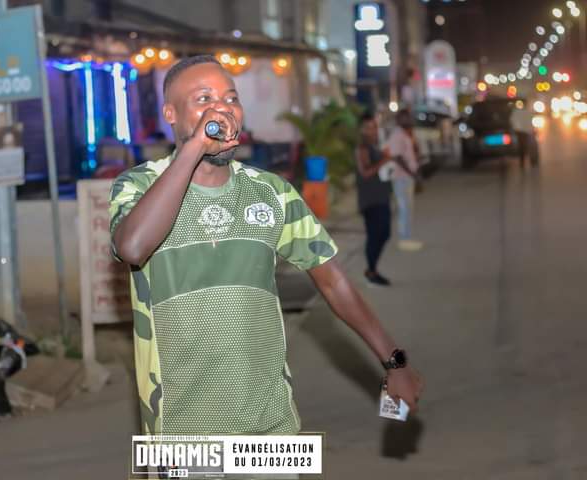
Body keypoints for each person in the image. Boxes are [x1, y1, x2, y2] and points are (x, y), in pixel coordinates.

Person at [109, 56, 423, 445]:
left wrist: (394, 360)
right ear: (171, 113)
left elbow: (332, 281)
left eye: (230, 98)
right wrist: (191, 152)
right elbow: (134, 247)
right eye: (203, 98)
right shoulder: (138, 186)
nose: (221, 108)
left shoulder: (272, 192)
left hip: (271, 428)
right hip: (181, 433)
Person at [356, 113, 395, 287]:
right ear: (362, 130)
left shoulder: (375, 145)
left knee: (384, 233)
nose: (373, 130)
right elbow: (365, 173)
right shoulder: (362, 149)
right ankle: (371, 271)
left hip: (382, 196)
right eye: (369, 127)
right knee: (375, 235)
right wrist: (384, 160)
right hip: (370, 199)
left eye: (374, 127)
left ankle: (372, 269)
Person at [386, 109, 423, 252]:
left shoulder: (405, 133)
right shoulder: (397, 135)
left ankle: (407, 237)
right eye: (406, 117)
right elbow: (397, 157)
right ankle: (404, 239)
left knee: (407, 208)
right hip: (401, 177)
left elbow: (414, 152)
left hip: (406, 177)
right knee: (404, 209)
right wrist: (412, 173)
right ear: (399, 119)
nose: (410, 119)